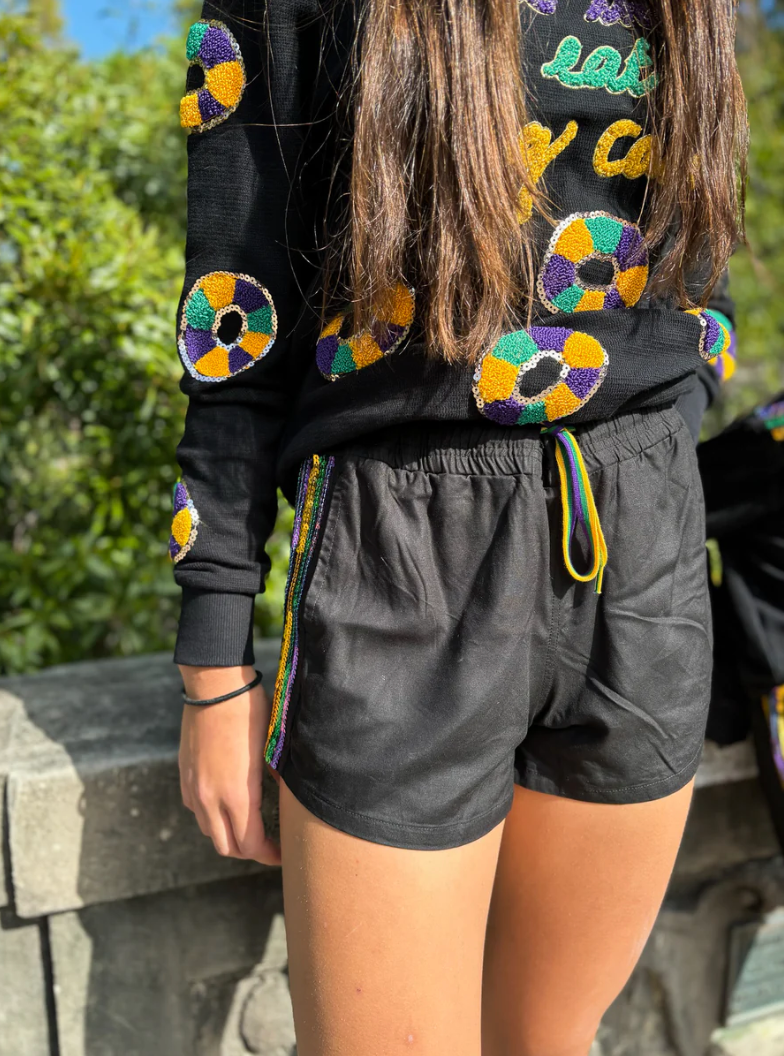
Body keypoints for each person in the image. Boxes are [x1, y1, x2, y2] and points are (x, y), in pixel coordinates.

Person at [172, 2, 747, 1052]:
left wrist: (668, 435)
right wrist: (214, 659)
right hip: (402, 543)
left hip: (640, 537)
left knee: (551, 1039)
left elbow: (698, 257)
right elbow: (235, 304)